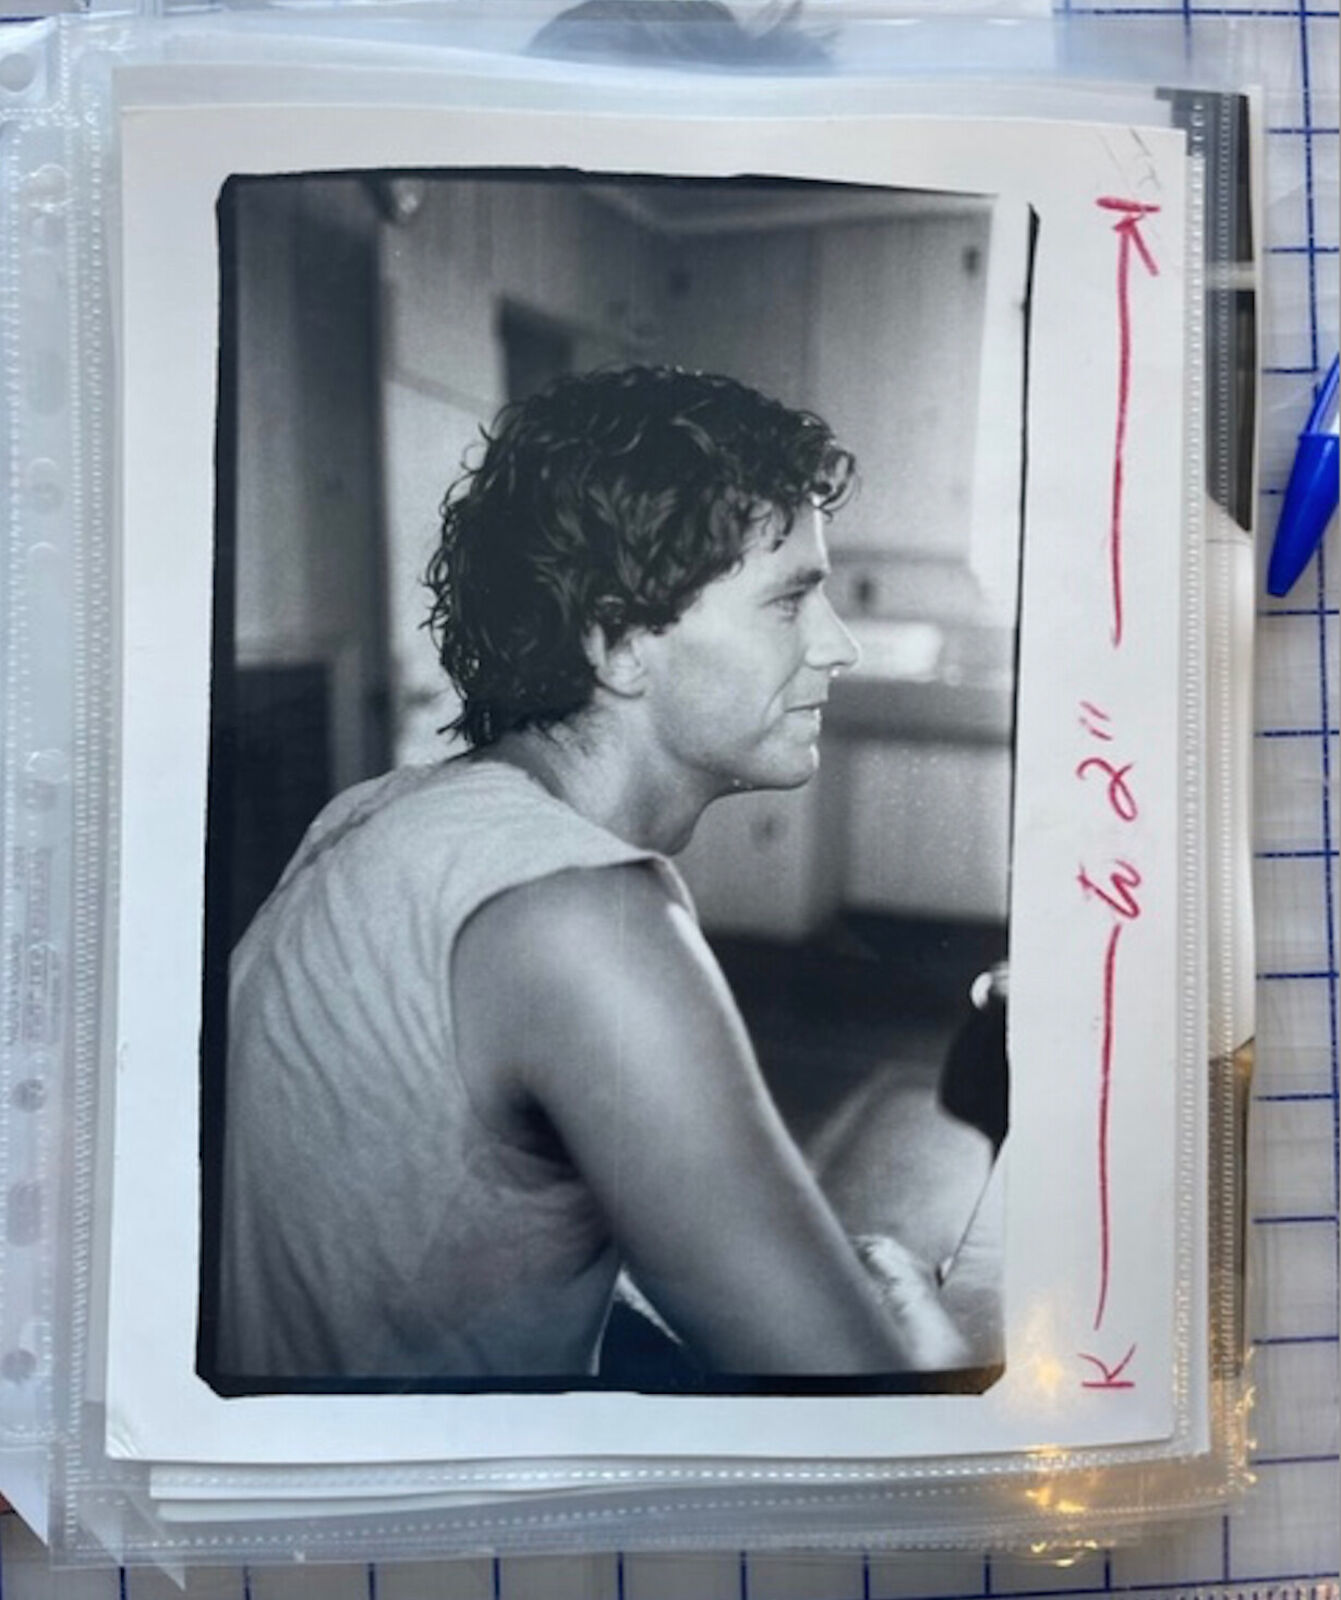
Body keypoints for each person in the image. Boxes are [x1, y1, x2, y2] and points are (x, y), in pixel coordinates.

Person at [208, 365, 969, 1385]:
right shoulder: (582, 918)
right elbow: (863, 1406)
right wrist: (925, 1345)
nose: (837, 647)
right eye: (790, 601)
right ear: (617, 642)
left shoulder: (382, 809)